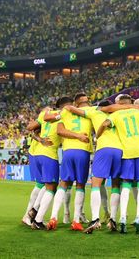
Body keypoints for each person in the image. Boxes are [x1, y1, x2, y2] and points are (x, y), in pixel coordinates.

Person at [65, 94, 134, 233]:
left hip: (104, 149)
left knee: (95, 184)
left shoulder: (94, 111)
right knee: (115, 185)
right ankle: (113, 219)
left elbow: (73, 110)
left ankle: (95, 219)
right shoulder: (118, 113)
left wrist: (67, 106)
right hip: (120, 150)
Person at [96, 98, 139, 235]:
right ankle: (138, 217)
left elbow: (104, 124)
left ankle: (122, 217)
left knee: (126, 185)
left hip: (125, 154)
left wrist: (97, 138)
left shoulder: (116, 115)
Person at [47, 93, 93, 232]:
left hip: (67, 151)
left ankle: (53, 217)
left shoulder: (65, 113)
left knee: (63, 184)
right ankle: (76, 220)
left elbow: (60, 130)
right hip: (82, 151)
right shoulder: (91, 112)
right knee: (80, 185)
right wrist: (79, 136)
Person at [25, 100, 65, 230]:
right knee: (47, 185)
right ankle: (34, 215)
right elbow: (32, 130)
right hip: (45, 153)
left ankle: (31, 213)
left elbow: (31, 129)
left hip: (37, 153)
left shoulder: (44, 117)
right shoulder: (57, 116)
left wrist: (40, 139)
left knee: (42, 184)